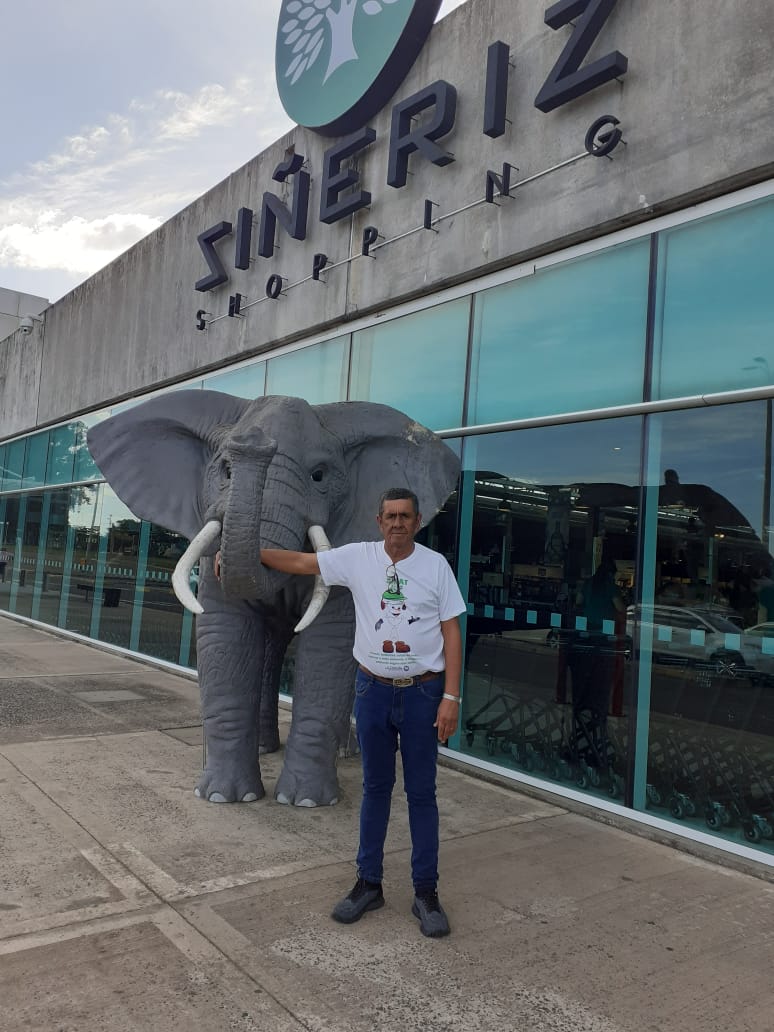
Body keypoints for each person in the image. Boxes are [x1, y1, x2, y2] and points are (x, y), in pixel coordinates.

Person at [259, 487, 465, 938]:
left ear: (417, 522)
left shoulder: (435, 566)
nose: (397, 523)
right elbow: (303, 563)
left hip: (423, 694)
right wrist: (247, 554)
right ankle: (368, 883)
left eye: (405, 516)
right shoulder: (358, 558)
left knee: (421, 794)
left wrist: (451, 697)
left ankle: (426, 892)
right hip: (372, 691)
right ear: (379, 521)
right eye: (390, 516)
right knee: (375, 788)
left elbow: (451, 631)